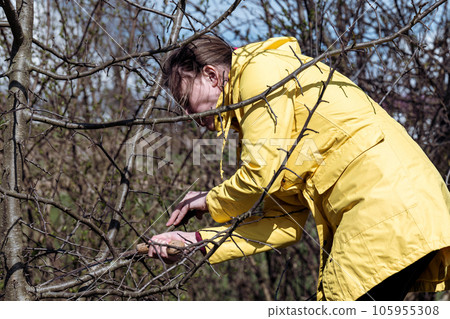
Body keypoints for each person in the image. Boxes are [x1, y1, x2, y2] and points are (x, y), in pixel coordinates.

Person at [147, 35, 450, 301]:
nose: (187, 115)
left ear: (212, 75)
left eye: (186, 101)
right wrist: (195, 241)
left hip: (387, 208)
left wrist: (209, 201)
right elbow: (283, 224)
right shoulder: (261, 122)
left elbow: (259, 174)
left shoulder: (257, 72)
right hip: (393, 213)